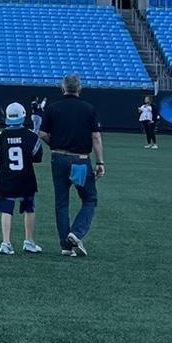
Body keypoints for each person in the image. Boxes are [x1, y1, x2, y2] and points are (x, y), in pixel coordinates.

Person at [38, 73, 103, 258]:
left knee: (61, 202)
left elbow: (42, 134)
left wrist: (55, 143)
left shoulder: (53, 108)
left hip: (58, 159)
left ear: (63, 88)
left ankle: (65, 246)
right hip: (80, 161)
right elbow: (96, 137)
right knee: (89, 199)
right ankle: (77, 232)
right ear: (79, 88)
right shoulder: (89, 109)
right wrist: (100, 162)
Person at [0, 103, 44, 254]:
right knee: (29, 208)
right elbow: (37, 156)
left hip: (6, 178)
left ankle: (6, 243)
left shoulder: (1, 136)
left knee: (7, 210)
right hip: (26, 177)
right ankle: (29, 242)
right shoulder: (31, 135)